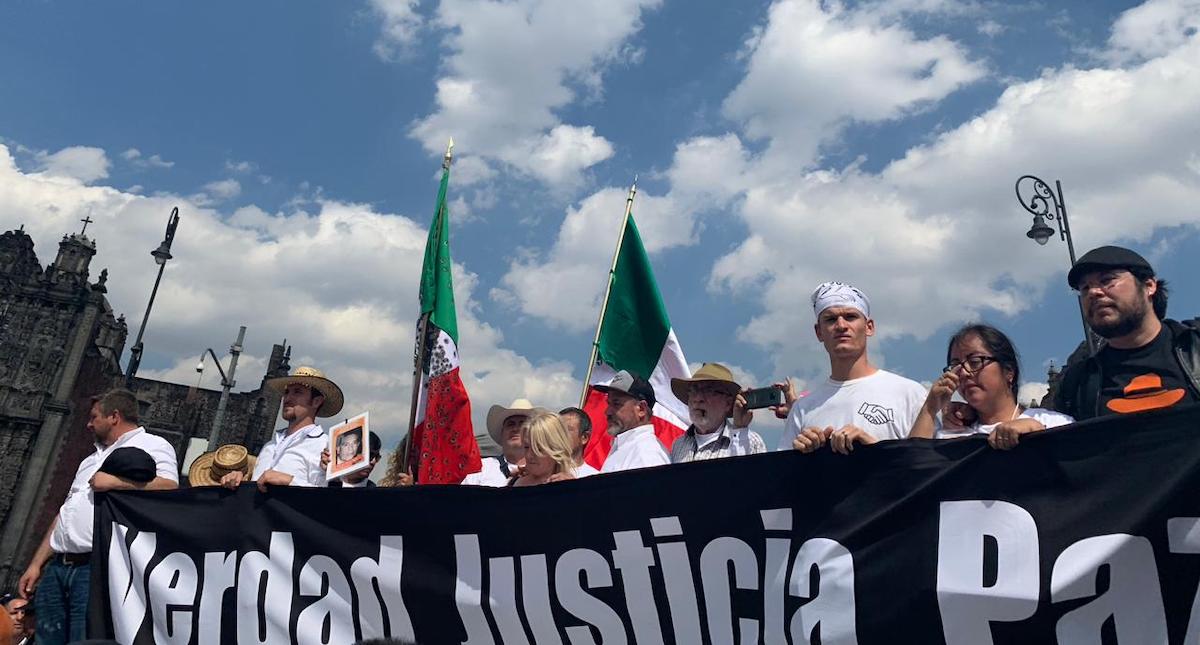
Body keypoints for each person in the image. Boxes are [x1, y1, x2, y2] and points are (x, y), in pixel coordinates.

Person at [19, 389, 178, 645]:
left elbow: (169, 486)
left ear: (114, 416)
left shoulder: (153, 445)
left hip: (97, 565)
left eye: (94, 417)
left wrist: (115, 482)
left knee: (84, 638)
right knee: (46, 639)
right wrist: (36, 563)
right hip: (58, 565)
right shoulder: (90, 460)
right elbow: (66, 512)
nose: (89, 424)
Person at [779, 282, 927, 454]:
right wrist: (800, 455)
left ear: (869, 327)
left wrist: (873, 448)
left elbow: (929, 464)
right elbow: (783, 469)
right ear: (819, 332)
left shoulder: (910, 394)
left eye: (850, 317)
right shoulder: (803, 409)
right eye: (831, 319)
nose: (841, 326)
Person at [1055, 245, 1199, 420]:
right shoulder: (1077, 384)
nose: (1093, 292)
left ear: (1149, 286)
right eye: (1085, 288)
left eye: (1107, 280)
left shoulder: (1195, 345)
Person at [911, 324, 1074, 448]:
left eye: (975, 362)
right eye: (955, 366)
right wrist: (930, 408)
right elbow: (910, 469)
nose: (964, 373)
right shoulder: (948, 436)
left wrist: (1039, 434)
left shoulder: (1054, 424)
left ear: (1009, 371)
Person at [221, 366, 344, 490]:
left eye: (297, 392)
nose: (287, 398)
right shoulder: (270, 445)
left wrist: (289, 481)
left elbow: (330, 496)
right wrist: (240, 481)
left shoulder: (325, 446)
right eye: (286, 392)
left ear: (316, 401)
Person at [669, 362, 766, 462]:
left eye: (708, 391)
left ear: (728, 403)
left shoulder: (750, 441)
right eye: (693, 391)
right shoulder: (678, 445)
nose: (698, 398)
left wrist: (740, 432)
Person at [595, 371, 670, 472]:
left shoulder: (646, 455)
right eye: (609, 403)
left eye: (616, 404)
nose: (607, 412)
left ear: (641, 409)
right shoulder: (629, 448)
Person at [461, 399, 547, 486]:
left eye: (522, 424)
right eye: (510, 424)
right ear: (501, 433)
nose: (515, 429)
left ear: (533, 433)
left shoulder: (545, 469)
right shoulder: (481, 468)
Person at [508, 414, 577, 486]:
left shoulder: (572, 487)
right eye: (526, 447)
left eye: (538, 449)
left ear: (556, 449)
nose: (529, 455)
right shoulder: (515, 484)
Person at [558, 407, 599, 477]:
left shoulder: (595, 478)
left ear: (584, 438)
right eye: (557, 430)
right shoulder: (542, 471)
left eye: (567, 430)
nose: (560, 434)